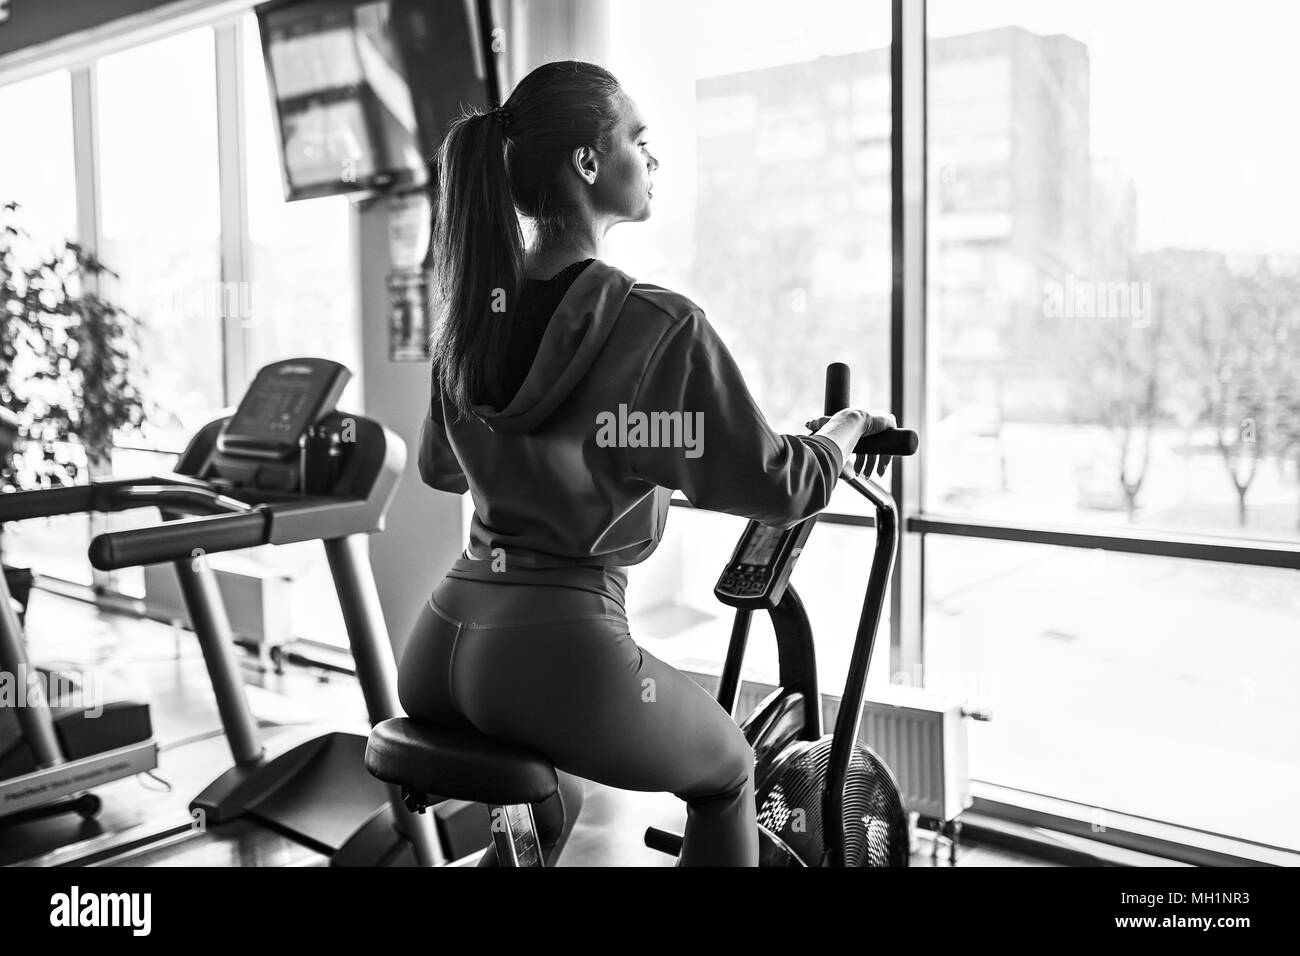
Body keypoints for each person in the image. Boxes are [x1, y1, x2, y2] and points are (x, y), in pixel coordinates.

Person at [397, 60, 896, 867]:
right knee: (730, 769)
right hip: (558, 646)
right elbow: (781, 484)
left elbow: (441, 467)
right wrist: (841, 432)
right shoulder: (657, 325)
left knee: (555, 807)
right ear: (588, 165)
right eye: (639, 139)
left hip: (442, 640)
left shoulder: (471, 318)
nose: (652, 158)